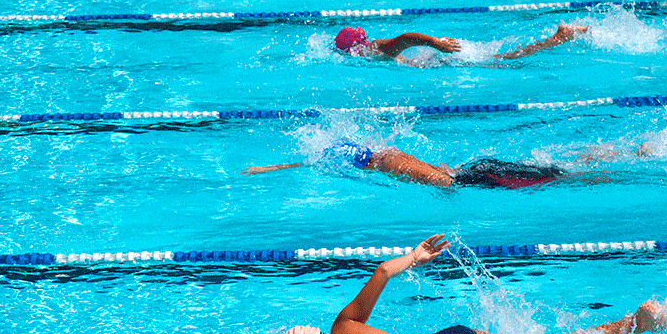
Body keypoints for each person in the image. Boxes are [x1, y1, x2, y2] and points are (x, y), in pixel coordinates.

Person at [161, 235, 667, 334]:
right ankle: (637, 323)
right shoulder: (341, 333)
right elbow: (380, 273)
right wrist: (414, 257)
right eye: (297, 332)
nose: (297, 330)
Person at [243, 140, 568, 189]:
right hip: (474, 169)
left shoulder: (388, 164)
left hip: (478, 176)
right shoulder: (385, 154)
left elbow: (444, 183)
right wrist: (269, 169)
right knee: (552, 172)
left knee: (560, 179)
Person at [333, 22, 588, 63]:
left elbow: (404, 38)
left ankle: (558, 38)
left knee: (502, 61)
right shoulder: (371, 48)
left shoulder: (373, 50)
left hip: (445, 57)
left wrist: (437, 43)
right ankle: (557, 39)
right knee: (500, 58)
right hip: (436, 59)